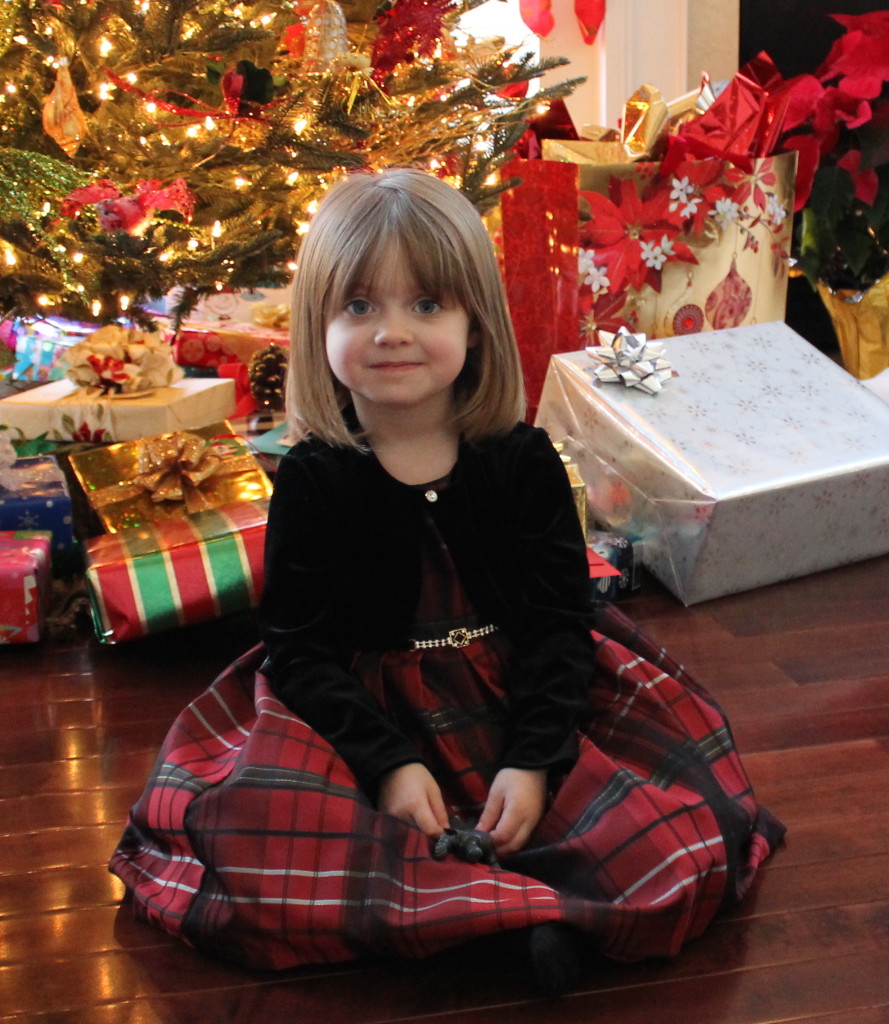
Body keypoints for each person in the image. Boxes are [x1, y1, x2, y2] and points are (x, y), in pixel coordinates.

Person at [109, 168, 785, 997]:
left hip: (521, 696)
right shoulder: (315, 477)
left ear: (475, 322)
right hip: (363, 713)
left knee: (666, 836)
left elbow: (557, 624)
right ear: (318, 326)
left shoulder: (522, 461)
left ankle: (512, 911)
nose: (392, 332)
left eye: (426, 304)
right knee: (261, 845)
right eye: (360, 306)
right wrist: (389, 766)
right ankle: (511, 918)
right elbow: (299, 648)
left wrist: (533, 761)